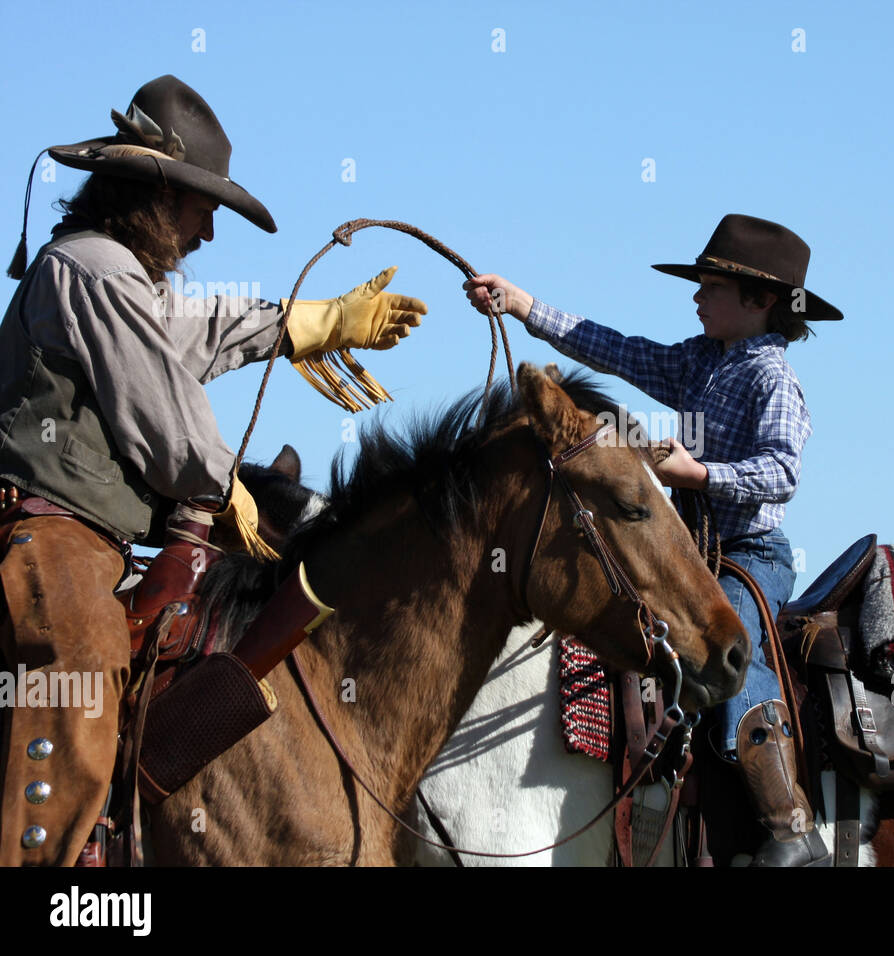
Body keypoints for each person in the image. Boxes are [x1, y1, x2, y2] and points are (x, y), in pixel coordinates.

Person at [0, 75, 425, 865]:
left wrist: (312, 322)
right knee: (83, 670)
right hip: (45, 538)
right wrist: (219, 482)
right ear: (156, 195)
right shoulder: (93, 268)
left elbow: (187, 332)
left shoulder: (111, 274)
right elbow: (162, 407)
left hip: (87, 540)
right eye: (201, 210)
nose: (207, 235)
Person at [464, 213, 842, 866]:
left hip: (751, 558)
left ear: (759, 301)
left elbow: (783, 472)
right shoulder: (700, 362)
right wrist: (522, 305)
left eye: (711, 286)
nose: (696, 296)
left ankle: (789, 825)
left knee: (729, 650)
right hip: (688, 552)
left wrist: (696, 473)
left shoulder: (772, 377)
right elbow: (616, 349)